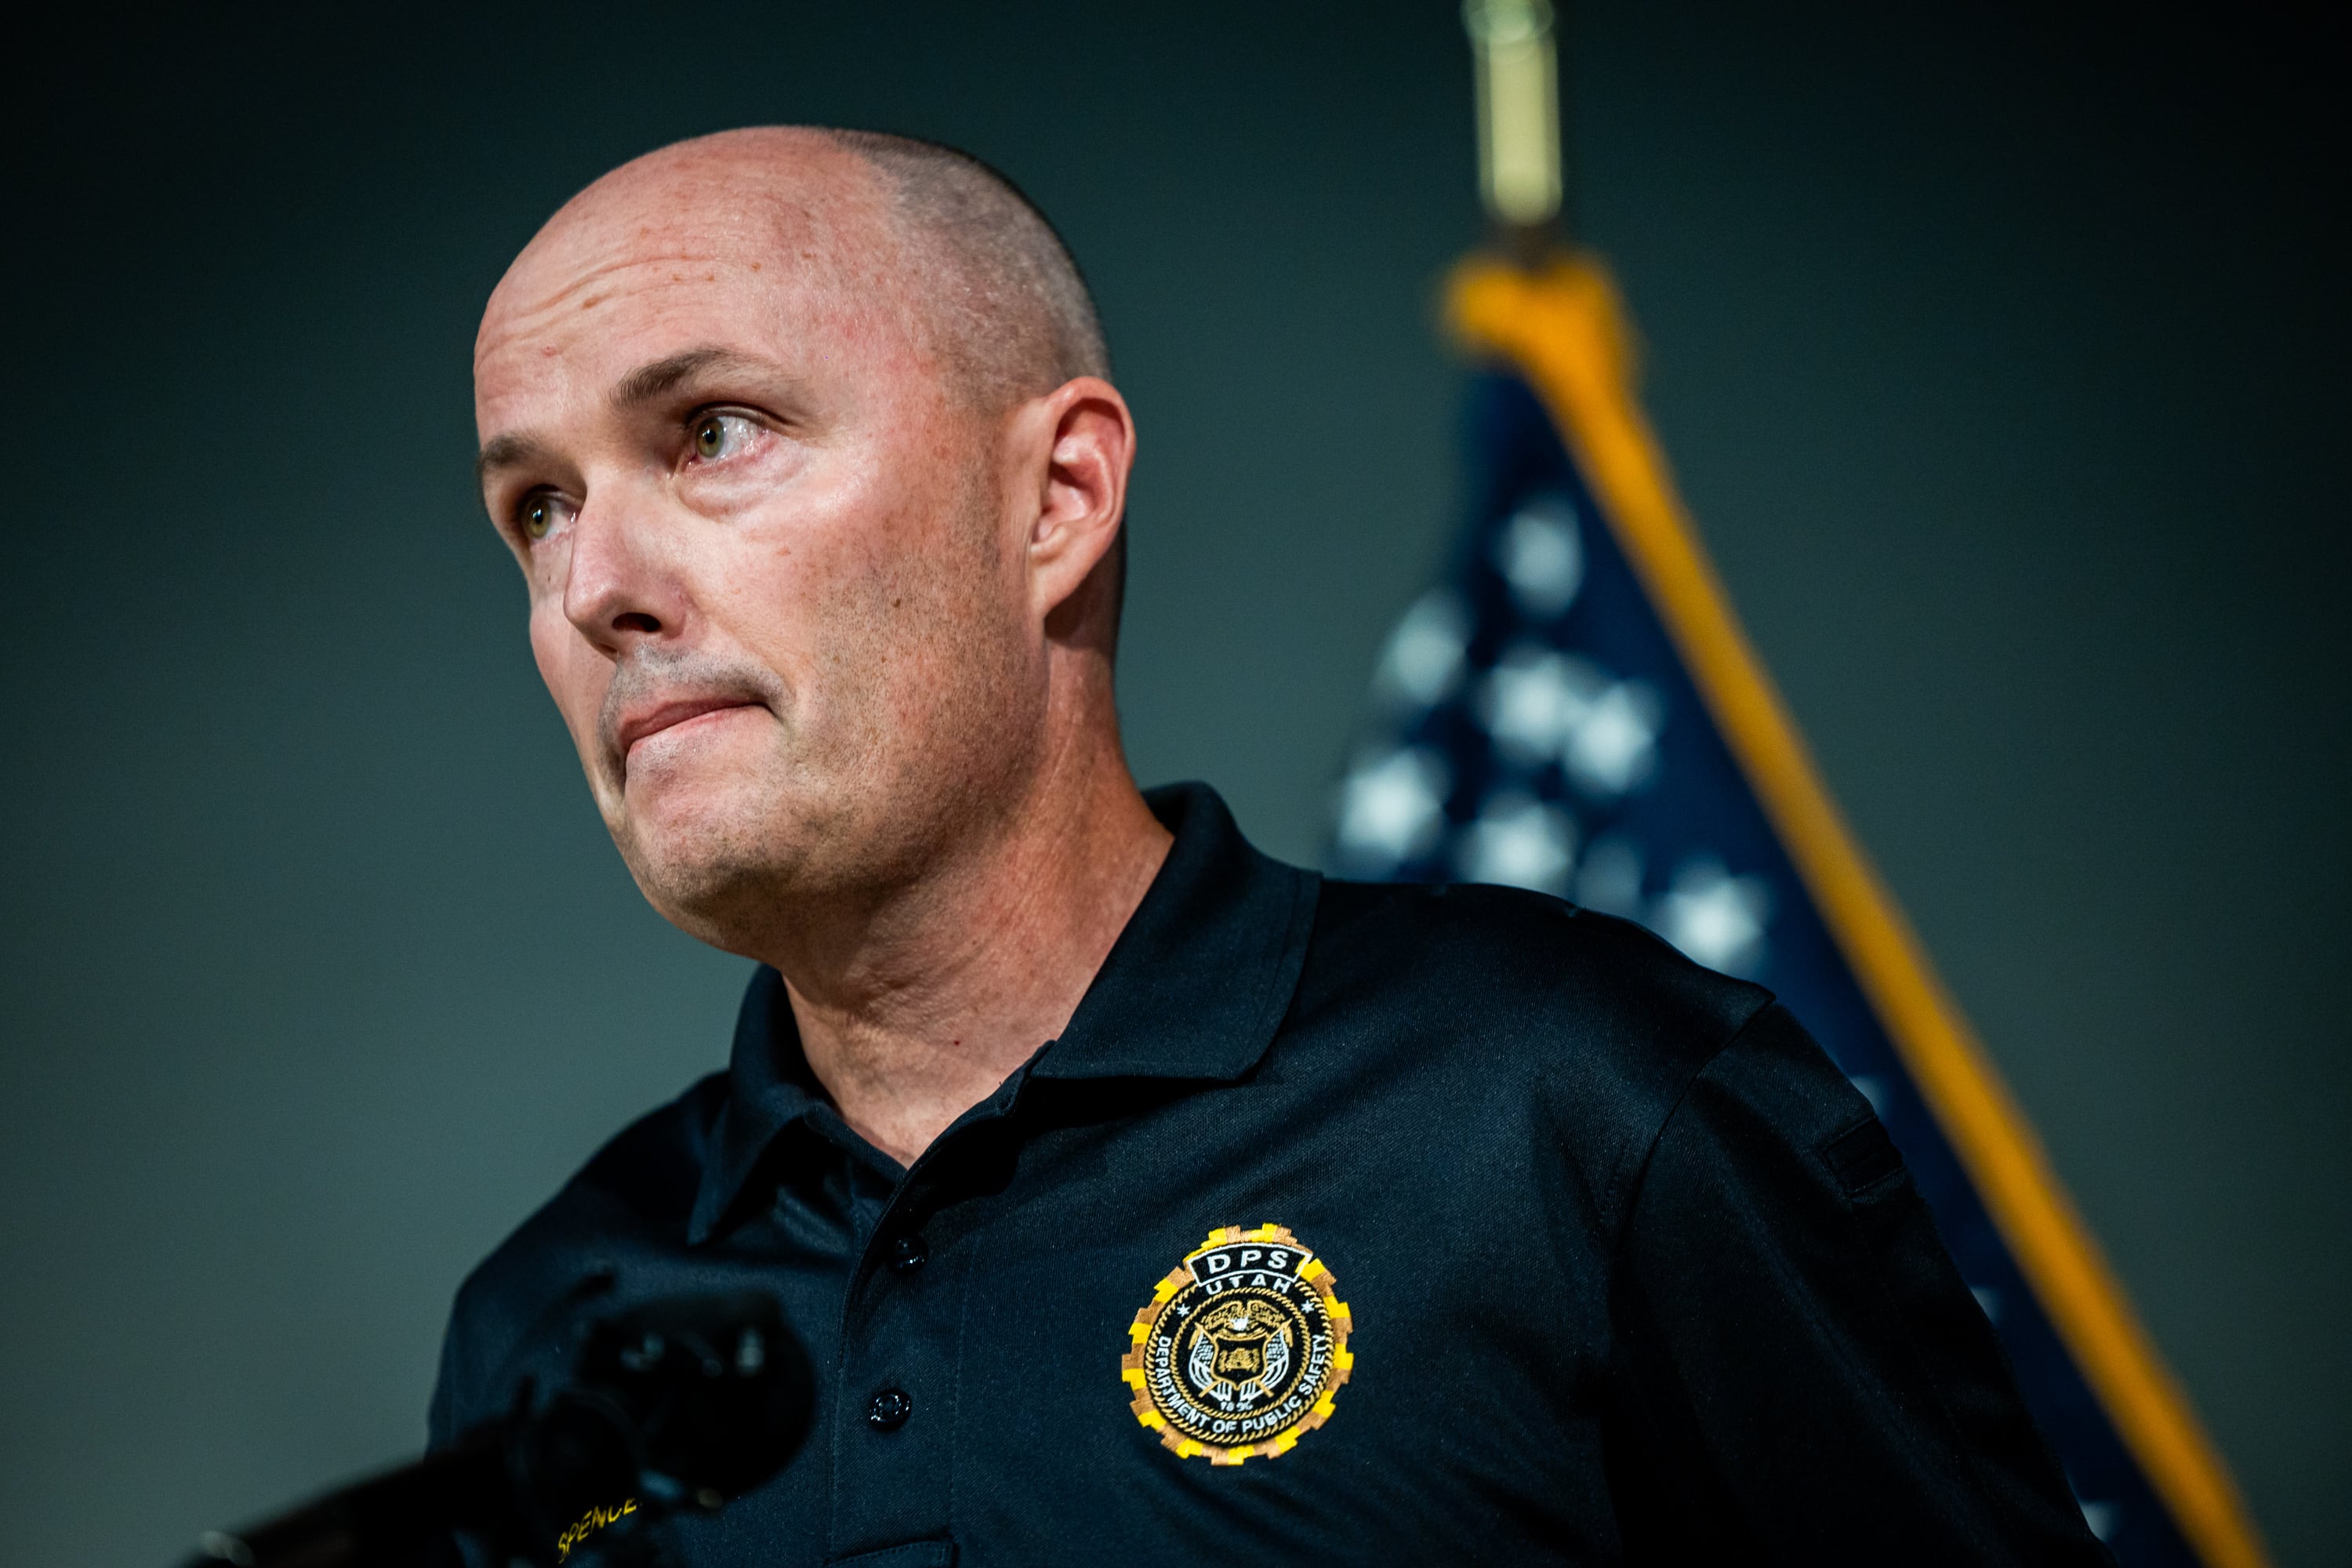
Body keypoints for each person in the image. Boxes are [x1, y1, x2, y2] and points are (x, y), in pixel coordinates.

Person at [435, 126, 2111, 1566]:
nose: (594, 589)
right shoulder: (550, 1322)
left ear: (1057, 500)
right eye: (539, 507)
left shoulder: (1580, 1111)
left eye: (713, 431)